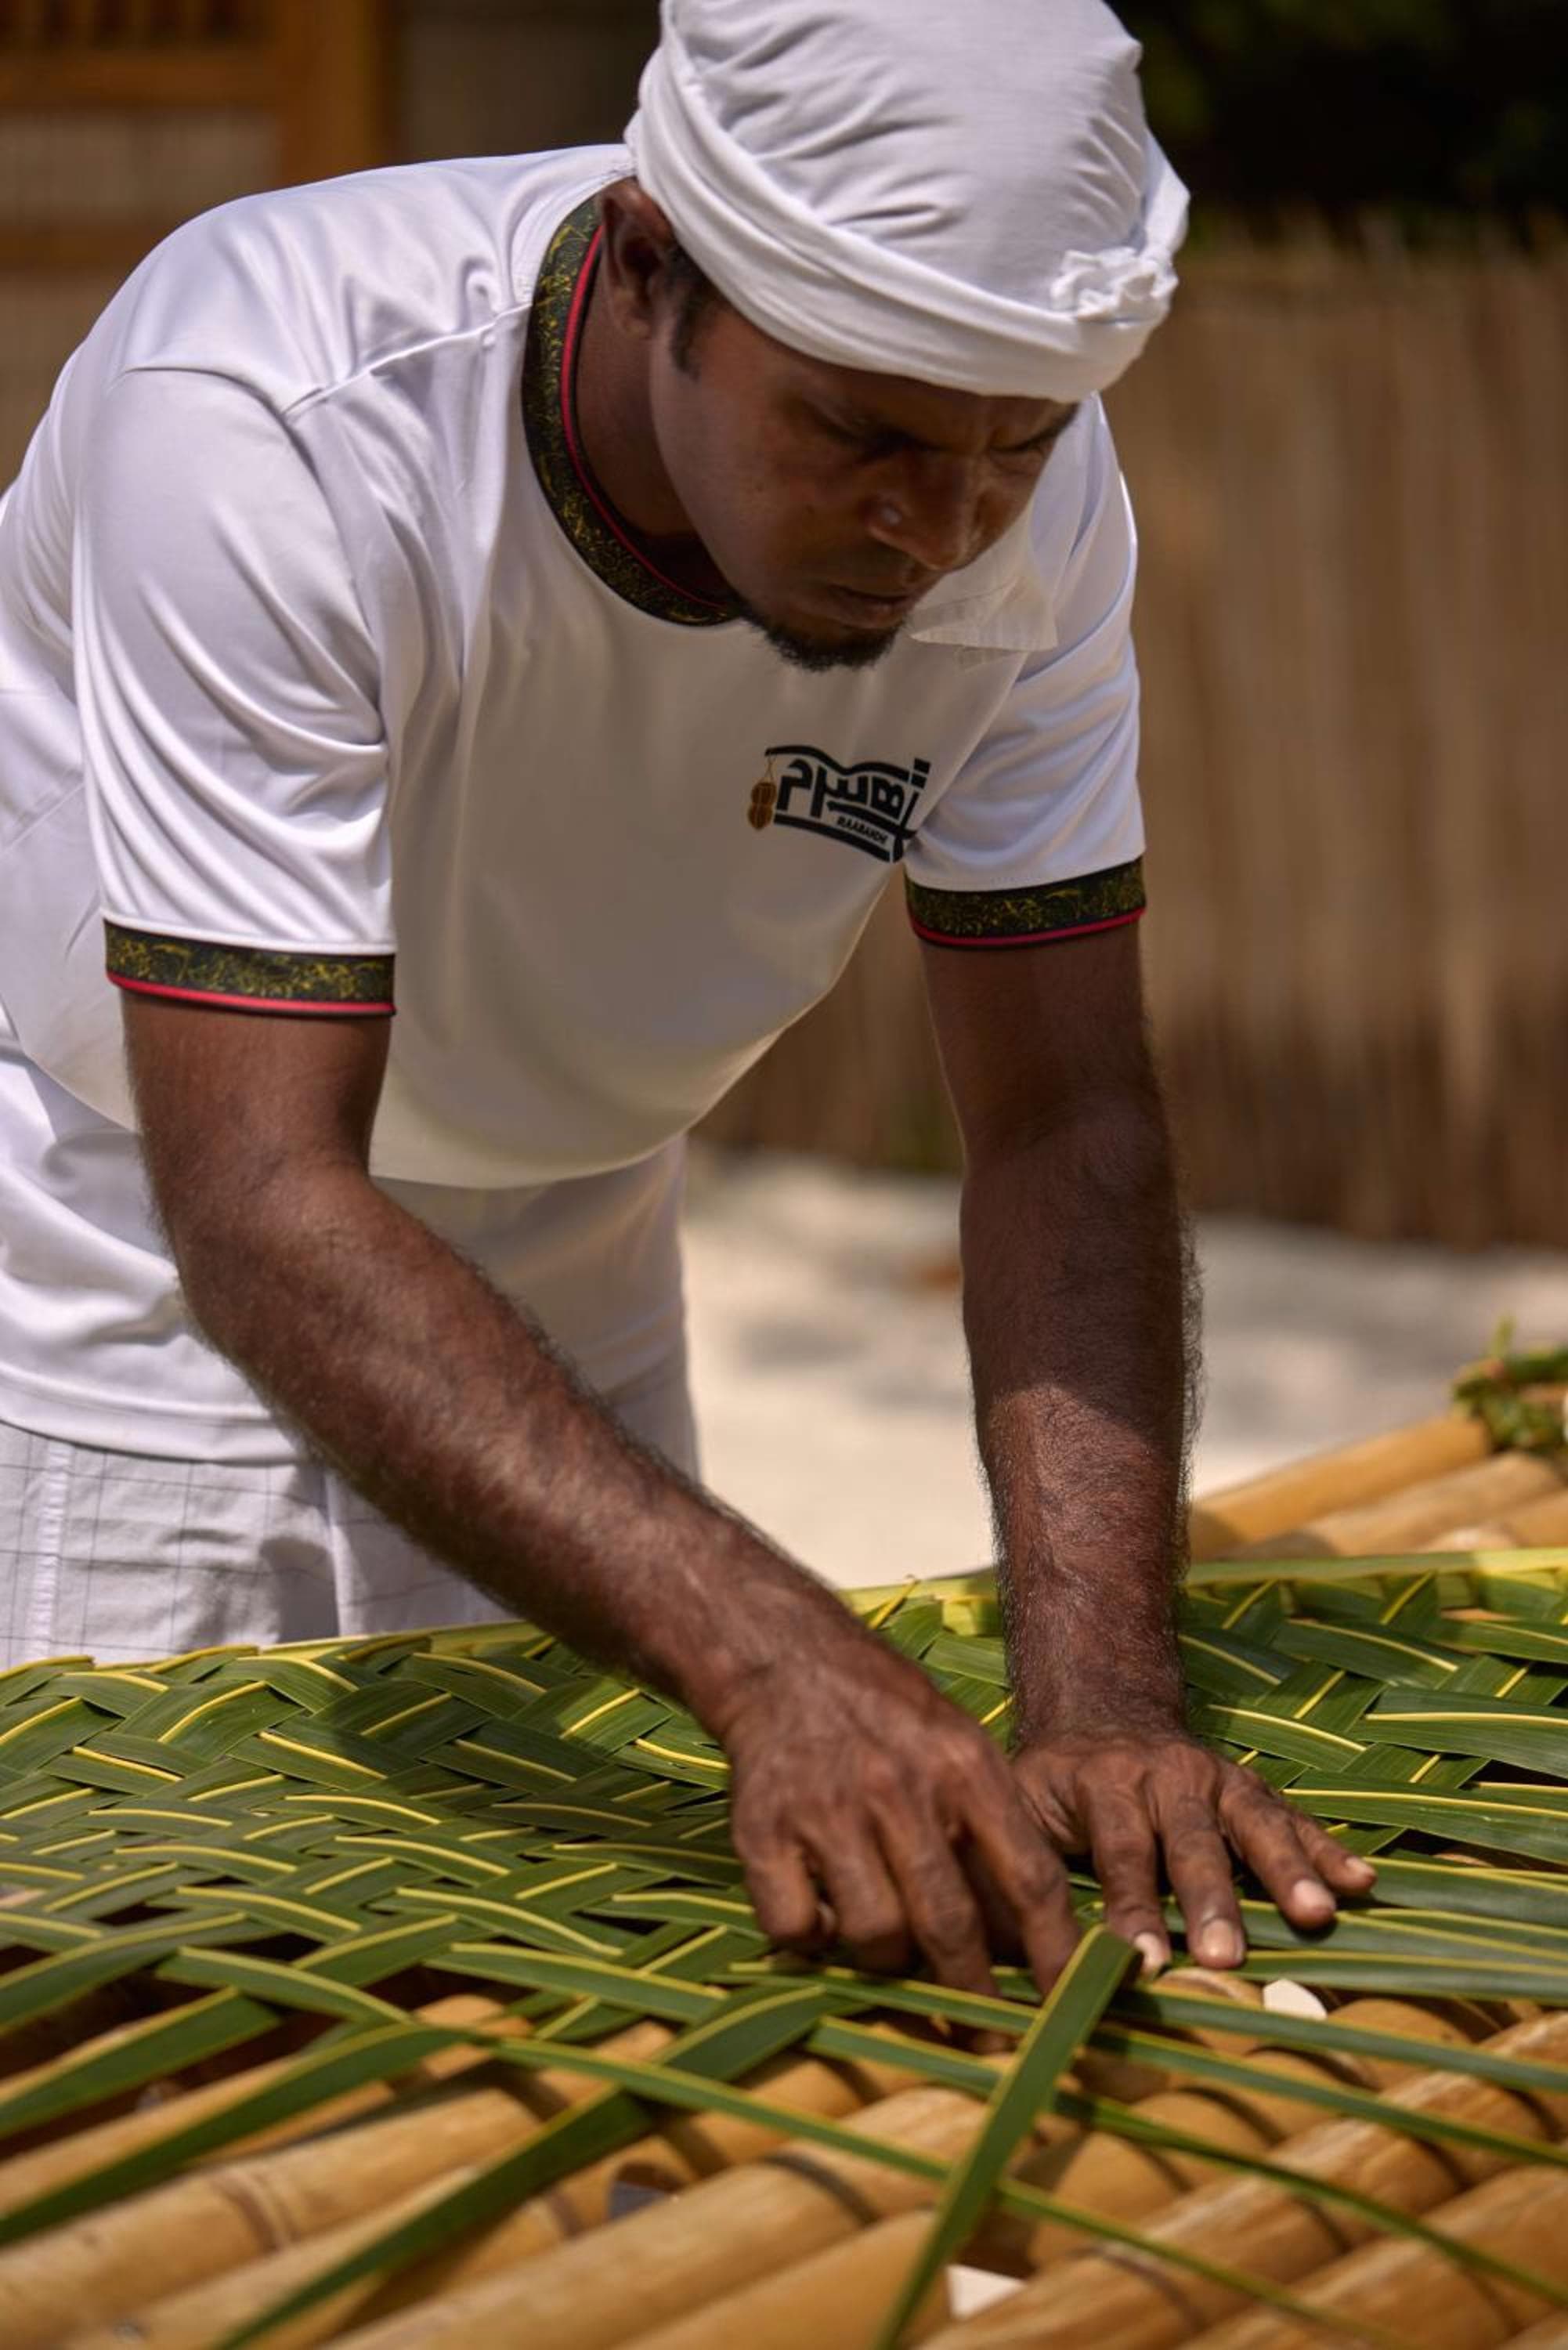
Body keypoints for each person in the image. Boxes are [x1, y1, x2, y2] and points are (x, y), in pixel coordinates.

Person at [0, 0, 1374, 1994]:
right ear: (653, 266)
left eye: (1016, 445)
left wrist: (1099, 1705)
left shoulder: (1017, 498)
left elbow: (1063, 1116)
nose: (941, 525)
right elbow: (263, 1193)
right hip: (137, 1249)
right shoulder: (276, 406)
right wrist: (772, 1650)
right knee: (135, 1986)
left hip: (576, 1249)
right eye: (859, 436)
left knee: (539, 1990)